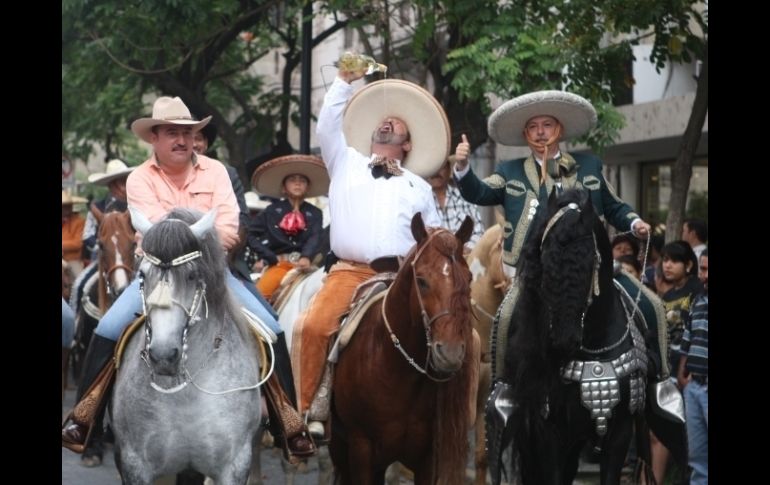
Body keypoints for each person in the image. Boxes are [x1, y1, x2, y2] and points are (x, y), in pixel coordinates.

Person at [62, 96, 314, 462]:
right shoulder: (138, 179)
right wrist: (196, 233)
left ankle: (286, 423)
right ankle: (85, 421)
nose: (181, 139)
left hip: (211, 272)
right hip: (158, 274)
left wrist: (180, 233)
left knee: (272, 328)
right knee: (108, 328)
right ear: (155, 138)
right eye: (172, 133)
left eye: (187, 132)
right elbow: (150, 232)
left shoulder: (217, 172)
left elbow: (228, 228)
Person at [452, 90, 675, 410]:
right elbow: (480, 192)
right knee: (504, 321)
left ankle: (661, 386)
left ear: (559, 129)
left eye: (547, 124)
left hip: (592, 273)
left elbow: (614, 207)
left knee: (652, 304)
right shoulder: (510, 170)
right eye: (533, 127)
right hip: (531, 276)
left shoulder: (589, 166)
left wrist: (635, 221)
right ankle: (503, 390)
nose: (540, 132)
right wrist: (462, 168)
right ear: (525, 135)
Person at [293, 62, 447, 437]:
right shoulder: (345, 160)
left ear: (407, 143)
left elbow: (437, 238)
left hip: (404, 278)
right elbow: (327, 125)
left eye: (398, 123)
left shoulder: (420, 187)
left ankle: (449, 419)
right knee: (311, 326)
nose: (388, 122)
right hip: (350, 272)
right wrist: (345, 82)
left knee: (458, 334)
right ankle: (305, 411)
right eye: (385, 120)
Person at [249, 154, 328, 301]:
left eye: (302, 180)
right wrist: (269, 256)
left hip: (305, 266)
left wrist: (306, 256)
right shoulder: (271, 211)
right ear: (284, 188)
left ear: (308, 187)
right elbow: (250, 234)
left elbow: (315, 236)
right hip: (280, 265)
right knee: (259, 298)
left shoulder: (315, 213)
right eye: (292, 180)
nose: (297, 184)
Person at [70, 159, 135, 312]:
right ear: (110, 185)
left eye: (124, 181)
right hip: (102, 260)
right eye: (117, 182)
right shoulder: (97, 207)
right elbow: (87, 235)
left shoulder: (136, 206)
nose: (122, 186)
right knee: (79, 285)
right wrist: (102, 247)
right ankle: (76, 324)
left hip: (132, 259)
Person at [677, 248, 708, 485]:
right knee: (697, 458)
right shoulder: (698, 300)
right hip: (694, 386)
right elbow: (688, 338)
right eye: (702, 269)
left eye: (707, 270)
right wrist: (682, 374)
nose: (703, 276)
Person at [427, 155, 485, 254]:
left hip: (462, 261)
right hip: (431, 263)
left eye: (441, 167)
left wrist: (466, 249)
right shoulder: (419, 200)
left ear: (449, 170)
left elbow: (479, 232)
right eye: (433, 168)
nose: (436, 172)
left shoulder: (465, 198)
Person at [62, 191, 88, 275]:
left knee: (79, 278)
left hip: (71, 260)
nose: (66, 209)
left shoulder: (79, 221)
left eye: (68, 206)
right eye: (64, 206)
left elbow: (78, 243)